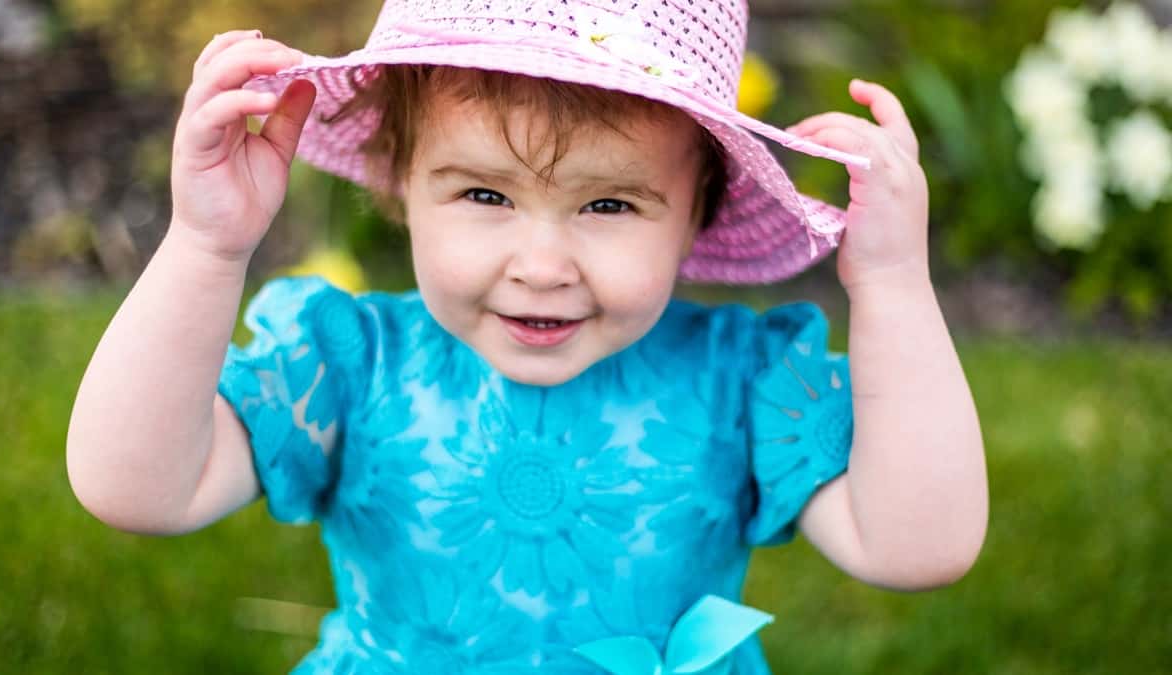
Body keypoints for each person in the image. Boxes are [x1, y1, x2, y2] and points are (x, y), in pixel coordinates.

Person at [66, 1, 988, 673]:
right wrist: (205, 246)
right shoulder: (347, 365)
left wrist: (896, 285)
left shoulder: (735, 384)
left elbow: (915, 546)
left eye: (610, 203)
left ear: (700, 212)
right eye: (485, 194)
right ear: (399, 183)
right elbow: (137, 486)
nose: (542, 263)